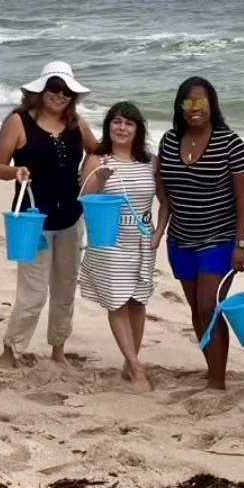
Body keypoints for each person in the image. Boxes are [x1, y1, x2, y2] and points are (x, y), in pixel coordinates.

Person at [0, 61, 99, 366]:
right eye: (54, 87)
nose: (60, 95)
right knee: (33, 293)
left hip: (70, 220)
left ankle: (59, 352)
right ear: (41, 90)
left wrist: (92, 172)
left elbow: (98, 150)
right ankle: (11, 350)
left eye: (67, 90)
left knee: (65, 290)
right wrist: (16, 171)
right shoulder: (18, 121)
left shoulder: (78, 124)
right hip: (32, 222)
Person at [156, 77, 244, 390]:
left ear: (212, 106)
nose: (195, 109)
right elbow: (165, 190)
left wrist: (241, 244)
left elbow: (243, 199)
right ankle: (212, 367)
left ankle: (218, 382)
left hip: (219, 240)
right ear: (179, 107)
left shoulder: (231, 144)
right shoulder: (169, 141)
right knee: (197, 310)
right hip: (180, 240)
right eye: (188, 102)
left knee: (210, 306)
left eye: (201, 102)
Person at [78, 101, 169, 393]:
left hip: (142, 237)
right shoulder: (96, 160)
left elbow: (165, 202)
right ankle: (136, 367)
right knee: (117, 300)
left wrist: (159, 232)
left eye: (128, 123)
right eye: (116, 122)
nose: (122, 128)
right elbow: (82, 200)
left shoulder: (150, 161)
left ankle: (131, 362)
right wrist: (99, 181)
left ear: (138, 129)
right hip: (110, 238)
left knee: (137, 300)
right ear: (109, 126)